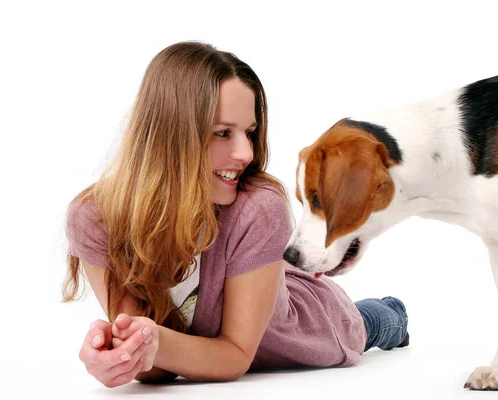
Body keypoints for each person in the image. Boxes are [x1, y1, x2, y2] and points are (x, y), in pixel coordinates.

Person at [63, 41, 409, 388]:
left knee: (366, 322)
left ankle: (392, 313)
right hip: (241, 306)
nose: (245, 152)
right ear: (171, 135)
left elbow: (235, 355)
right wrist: (122, 352)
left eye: (250, 132)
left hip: (308, 328)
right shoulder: (93, 219)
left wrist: (151, 345)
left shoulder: (260, 207)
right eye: (223, 133)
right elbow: (157, 367)